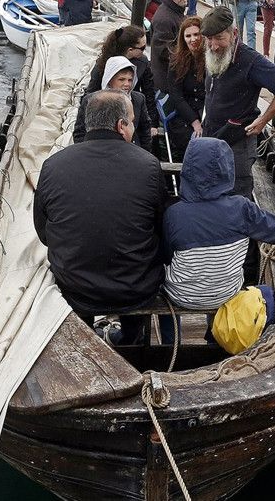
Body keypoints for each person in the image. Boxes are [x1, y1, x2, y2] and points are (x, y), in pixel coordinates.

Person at [33, 90, 168, 329]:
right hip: (136, 288)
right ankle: (133, 338)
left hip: (75, 287)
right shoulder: (148, 166)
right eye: (133, 122)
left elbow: (43, 233)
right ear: (121, 125)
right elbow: (160, 227)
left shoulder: (53, 165)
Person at [162, 137, 275, 310]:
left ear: (188, 171)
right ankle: (214, 331)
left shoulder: (174, 214)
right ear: (228, 170)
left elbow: (166, 255)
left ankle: (170, 336)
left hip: (182, 296)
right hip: (227, 293)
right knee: (260, 290)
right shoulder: (242, 208)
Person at [200, 6, 275, 197]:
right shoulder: (213, 54)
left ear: (234, 33)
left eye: (219, 38)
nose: (213, 45)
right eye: (209, 39)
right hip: (212, 137)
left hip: (237, 144)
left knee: (237, 195)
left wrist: (263, 121)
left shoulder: (250, 60)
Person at [88, 25, 161, 139]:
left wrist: (153, 123)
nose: (127, 84)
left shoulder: (143, 63)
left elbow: (149, 92)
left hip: (132, 114)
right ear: (130, 50)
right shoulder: (102, 66)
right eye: (142, 48)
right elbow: (91, 94)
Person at [73, 56, 153, 146]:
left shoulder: (138, 99)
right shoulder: (92, 100)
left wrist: (144, 155)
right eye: (121, 79)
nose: (127, 84)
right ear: (110, 79)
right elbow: (80, 132)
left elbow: (145, 131)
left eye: (130, 80)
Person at [164, 16, 207, 160]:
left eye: (196, 34)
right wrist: (194, 121)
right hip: (184, 113)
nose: (193, 39)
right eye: (188, 36)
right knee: (186, 140)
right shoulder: (176, 62)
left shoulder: (210, 59)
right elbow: (176, 95)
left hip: (206, 111)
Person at [149, 0, 190, 92]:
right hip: (167, 82)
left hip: (175, 78)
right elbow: (165, 51)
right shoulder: (164, 19)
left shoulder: (176, 12)